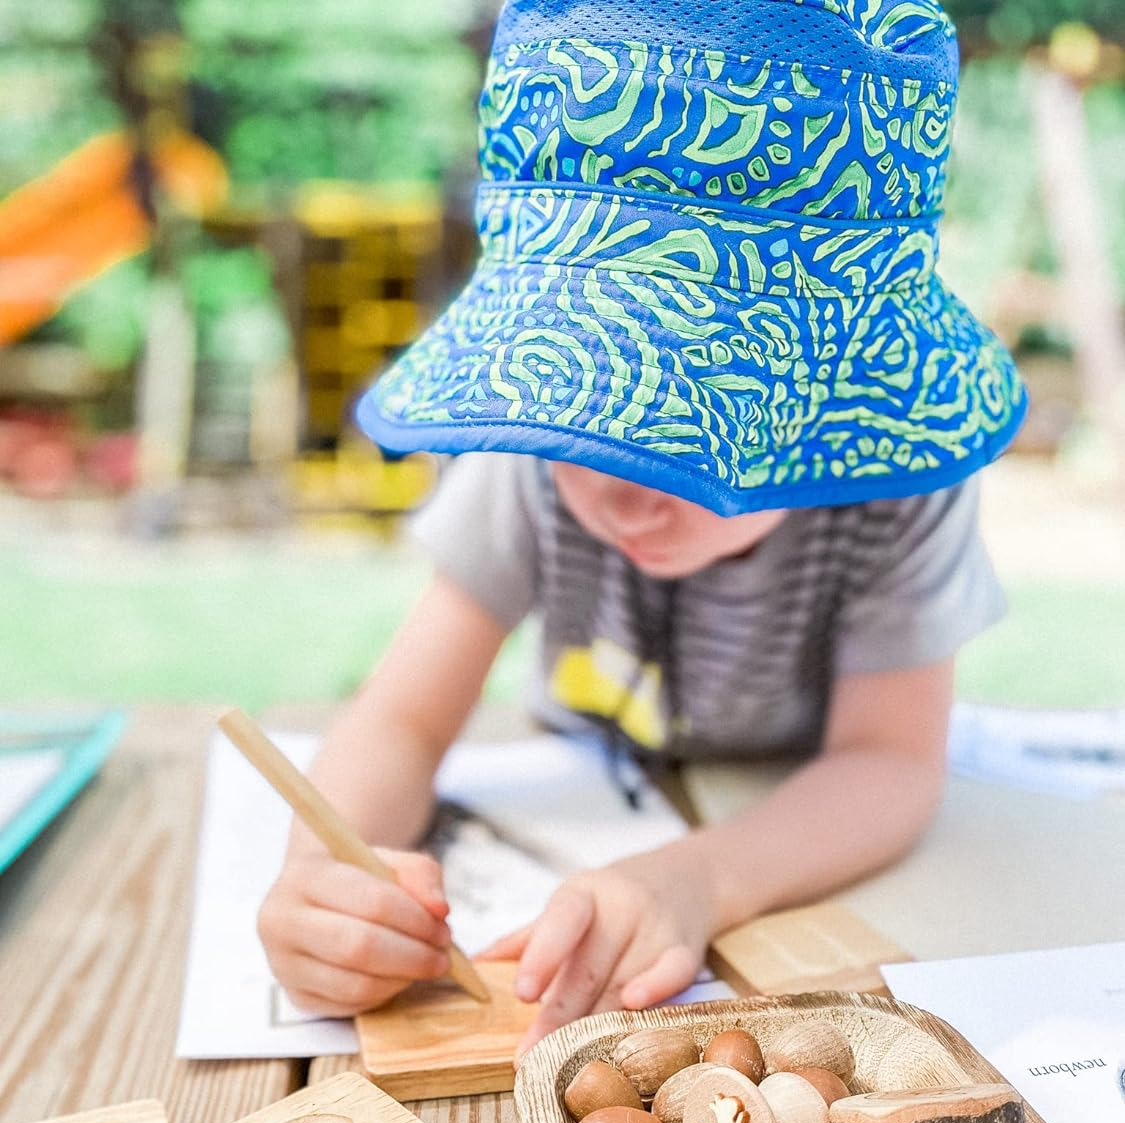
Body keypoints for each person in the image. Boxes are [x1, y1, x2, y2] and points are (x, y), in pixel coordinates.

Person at [258, 0, 1026, 1054]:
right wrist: (323, 875)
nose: (622, 491)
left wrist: (698, 880)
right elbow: (400, 720)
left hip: (786, 840)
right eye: (592, 414)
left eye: (700, 408)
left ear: (835, 386)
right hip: (583, 792)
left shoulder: (900, 486)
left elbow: (890, 762)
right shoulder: (525, 463)